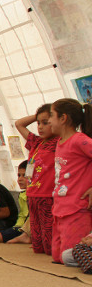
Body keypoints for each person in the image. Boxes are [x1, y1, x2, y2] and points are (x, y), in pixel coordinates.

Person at [48, 99, 92, 263]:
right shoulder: (60, 142)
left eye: (51, 116)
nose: (49, 121)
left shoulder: (80, 140)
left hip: (76, 209)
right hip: (60, 208)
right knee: (58, 257)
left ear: (63, 118)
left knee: (68, 257)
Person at [15, 104, 56, 255]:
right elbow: (19, 124)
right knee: (38, 244)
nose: (40, 127)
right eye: (38, 123)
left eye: (46, 123)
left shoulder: (58, 142)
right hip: (32, 194)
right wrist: (38, 114)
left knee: (49, 242)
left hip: (47, 196)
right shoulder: (36, 143)